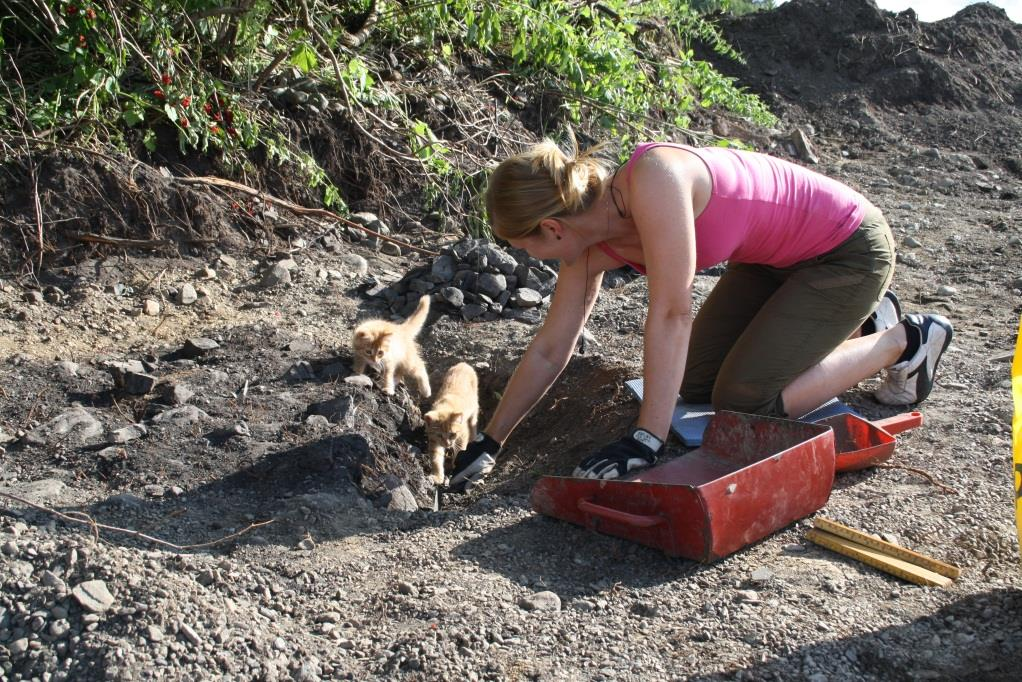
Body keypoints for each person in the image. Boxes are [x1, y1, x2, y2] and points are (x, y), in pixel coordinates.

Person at [447, 136, 953, 491]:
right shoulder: (586, 248)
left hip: (847, 250)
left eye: (522, 245)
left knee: (746, 402)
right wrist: (491, 439)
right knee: (691, 382)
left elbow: (672, 313)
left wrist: (646, 437)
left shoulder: (653, 180)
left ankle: (904, 338)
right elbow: (551, 347)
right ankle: (860, 321)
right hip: (771, 263)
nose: (528, 257)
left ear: (554, 229)